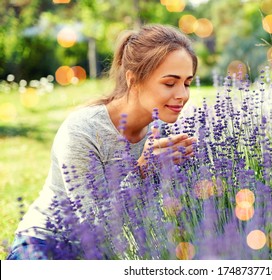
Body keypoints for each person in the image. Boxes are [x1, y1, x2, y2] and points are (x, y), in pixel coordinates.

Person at [7, 24, 198, 260]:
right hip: (47, 245)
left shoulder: (166, 133)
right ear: (133, 79)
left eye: (187, 83)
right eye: (170, 83)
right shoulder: (83, 130)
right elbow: (94, 228)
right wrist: (142, 170)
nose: (183, 95)